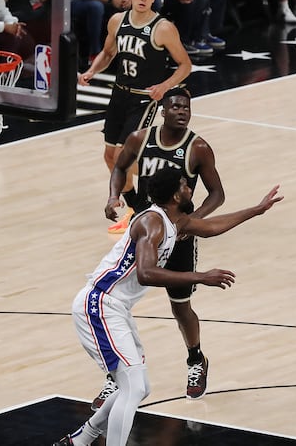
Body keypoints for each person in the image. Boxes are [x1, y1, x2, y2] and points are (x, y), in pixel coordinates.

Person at [52, 167, 283, 446]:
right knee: (133, 386)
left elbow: (211, 227)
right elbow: (146, 273)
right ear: (176, 194)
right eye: (186, 185)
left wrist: (257, 210)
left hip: (114, 308)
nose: (190, 190)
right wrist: (201, 276)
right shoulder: (152, 222)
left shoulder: (175, 222)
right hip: (99, 304)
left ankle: (80, 439)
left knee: (140, 387)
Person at [91, 86, 225, 410]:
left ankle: (196, 359)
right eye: (176, 106)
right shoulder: (140, 139)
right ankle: (116, 377)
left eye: (187, 107)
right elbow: (120, 168)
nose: (182, 111)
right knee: (115, 303)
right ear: (163, 110)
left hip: (178, 240)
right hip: (144, 232)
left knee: (180, 307)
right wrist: (114, 196)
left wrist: (189, 222)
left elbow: (217, 194)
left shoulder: (199, 148)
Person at [78, 0, 192, 236]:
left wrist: (164, 87)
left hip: (144, 98)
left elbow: (185, 65)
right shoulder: (117, 21)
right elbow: (108, 53)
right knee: (110, 157)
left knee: (122, 156)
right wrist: (91, 72)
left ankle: (153, 201)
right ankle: (140, 208)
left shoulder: (163, 28)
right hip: (119, 95)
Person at [71, 0, 129, 66]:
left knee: (128, 7)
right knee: (96, 7)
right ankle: (94, 55)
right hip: (75, 0)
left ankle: (124, 54)